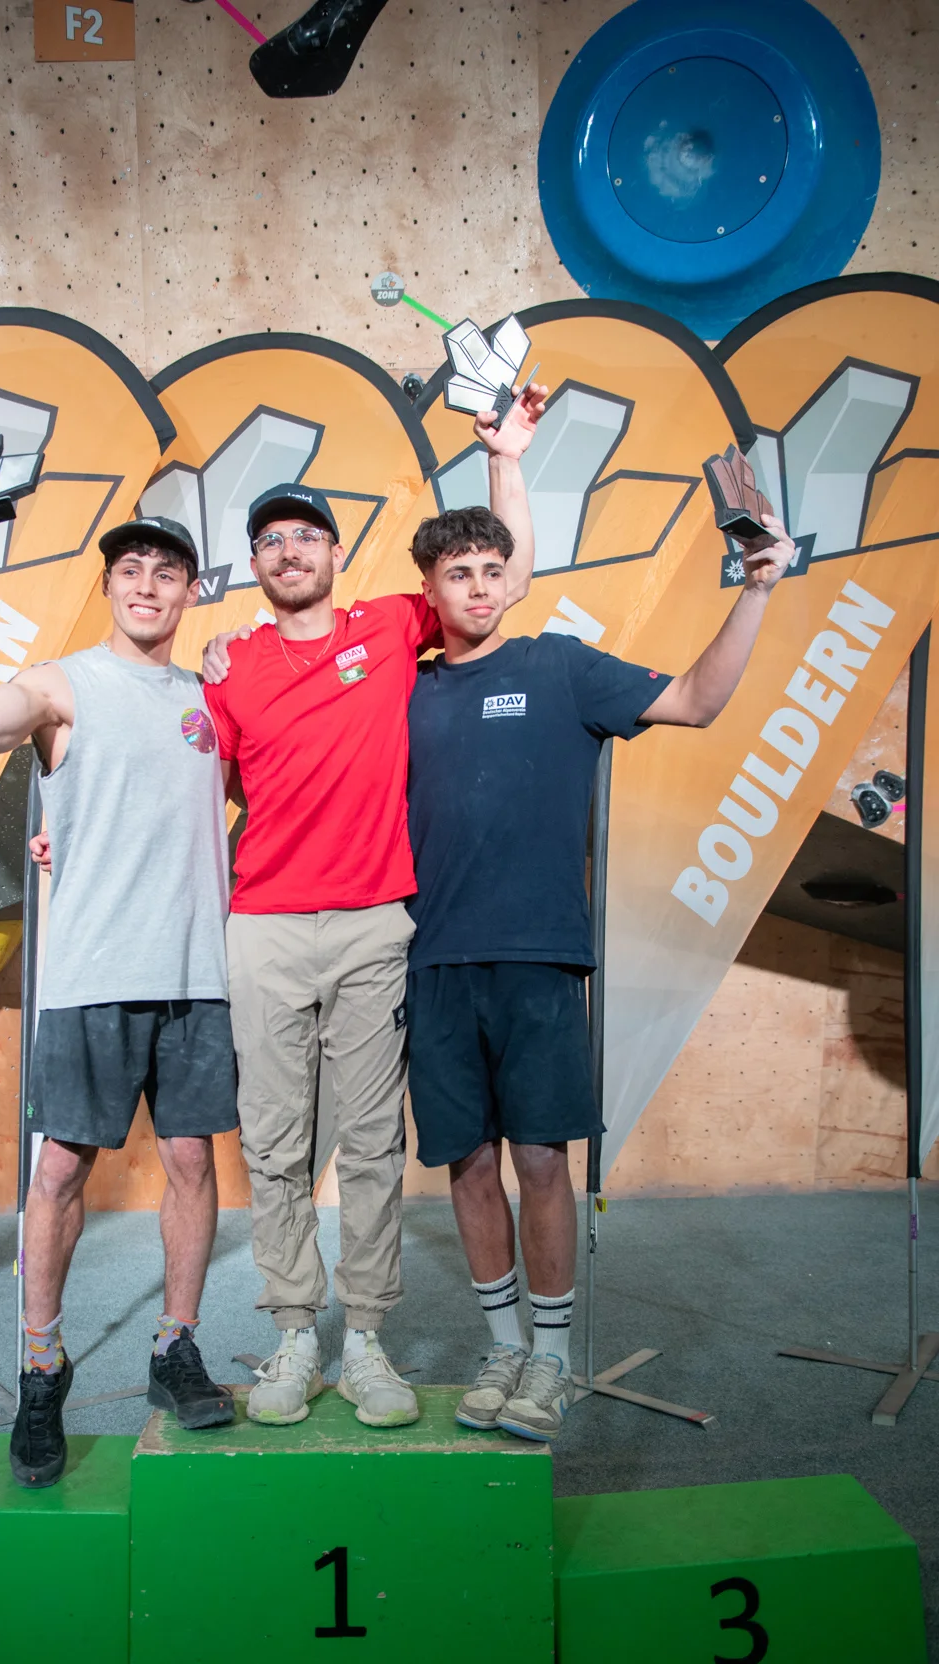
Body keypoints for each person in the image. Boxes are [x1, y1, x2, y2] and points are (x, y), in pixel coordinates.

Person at [404, 504, 796, 1442]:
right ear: (430, 588)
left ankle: (550, 1359)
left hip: (539, 955)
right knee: (466, 1165)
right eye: (458, 573)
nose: (479, 587)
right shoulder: (403, 691)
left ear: (512, 578)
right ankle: (504, 1348)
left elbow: (699, 698)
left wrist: (759, 588)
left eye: (493, 569)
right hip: (433, 960)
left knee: (541, 1159)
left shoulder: (560, 667)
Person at [199, 381, 547, 1429]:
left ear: (336, 556)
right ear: (256, 565)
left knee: (369, 1143)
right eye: (274, 542)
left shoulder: (393, 627)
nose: (291, 552)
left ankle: (370, 1343)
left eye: (309, 537)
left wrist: (506, 460)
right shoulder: (228, 669)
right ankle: (294, 1334)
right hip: (262, 924)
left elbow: (506, 581)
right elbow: (180, 802)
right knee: (271, 1141)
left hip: (374, 922)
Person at [0, 511, 239, 1487]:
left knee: (191, 1158)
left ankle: (174, 1347)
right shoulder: (63, 686)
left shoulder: (213, 694)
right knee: (58, 1171)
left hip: (197, 975)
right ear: (111, 588)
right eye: (131, 570)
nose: (148, 585)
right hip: (92, 976)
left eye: (168, 572)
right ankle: (41, 1366)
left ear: (191, 591)